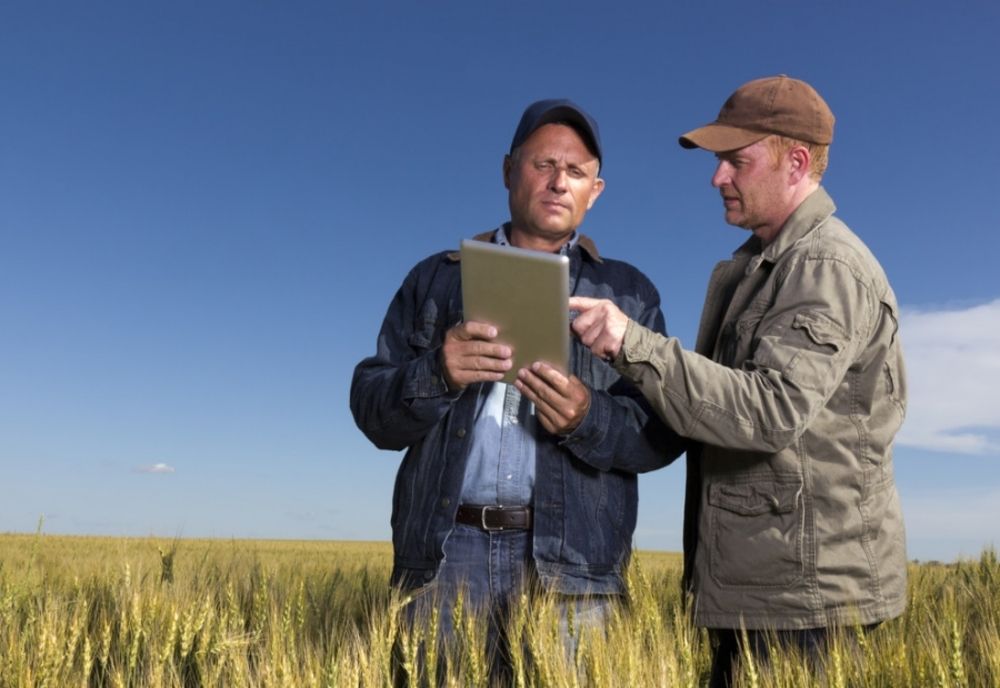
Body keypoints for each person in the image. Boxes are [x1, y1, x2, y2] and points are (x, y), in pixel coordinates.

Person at [568, 76, 907, 686]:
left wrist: (630, 343)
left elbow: (770, 411)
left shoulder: (825, 266)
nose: (717, 178)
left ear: (796, 162)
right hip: (768, 591)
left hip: (805, 607)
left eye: (735, 161)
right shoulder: (765, 265)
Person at [350, 99, 683, 683]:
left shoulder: (629, 294)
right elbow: (372, 410)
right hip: (446, 558)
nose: (559, 182)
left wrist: (588, 417)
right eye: (543, 164)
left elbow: (664, 432)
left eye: (576, 172)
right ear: (509, 171)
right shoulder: (435, 279)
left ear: (596, 190)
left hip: (574, 571)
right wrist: (439, 371)